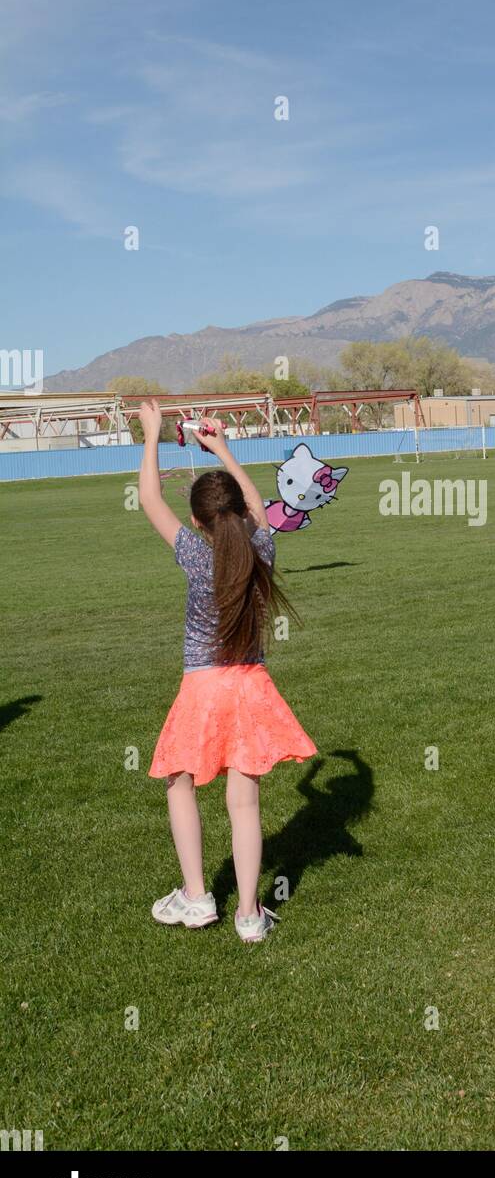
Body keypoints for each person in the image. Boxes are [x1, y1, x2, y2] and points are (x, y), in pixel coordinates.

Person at [137, 398, 317, 942]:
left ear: (197, 521)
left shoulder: (196, 553)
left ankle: (196, 898)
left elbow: (149, 498)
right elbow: (260, 511)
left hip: (204, 687)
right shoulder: (261, 547)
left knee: (179, 783)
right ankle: (248, 914)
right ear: (238, 512)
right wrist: (224, 450)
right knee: (245, 801)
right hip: (250, 688)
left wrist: (150, 434)